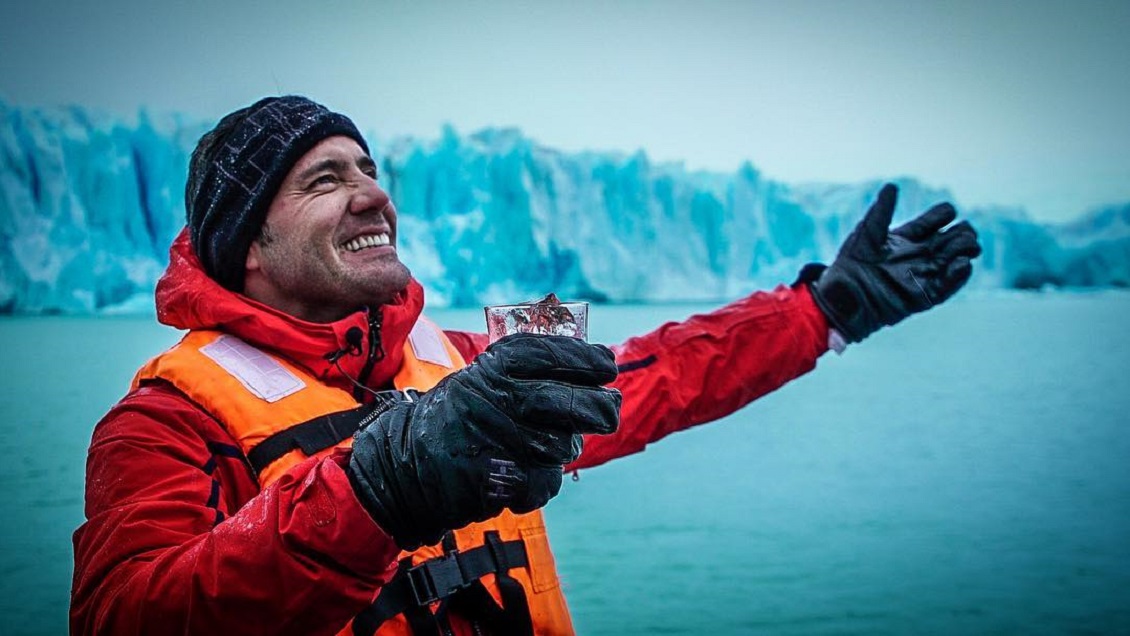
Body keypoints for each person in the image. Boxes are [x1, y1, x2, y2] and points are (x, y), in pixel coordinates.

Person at [70, 95, 981, 635]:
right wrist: (377, 488)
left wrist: (824, 310)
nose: (372, 194)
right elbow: (129, 616)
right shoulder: (166, 423)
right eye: (324, 180)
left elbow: (654, 377)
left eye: (367, 169)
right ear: (247, 246)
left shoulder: (458, 364)